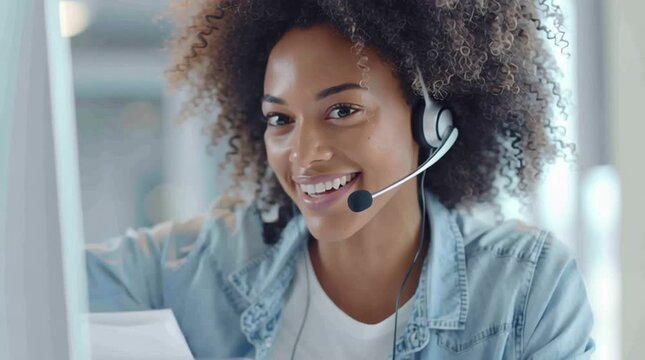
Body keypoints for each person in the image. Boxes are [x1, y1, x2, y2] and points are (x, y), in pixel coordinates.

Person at [86, 0, 595, 359]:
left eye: (343, 110)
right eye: (280, 120)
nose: (304, 156)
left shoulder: (526, 287)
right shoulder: (200, 266)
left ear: (430, 122)